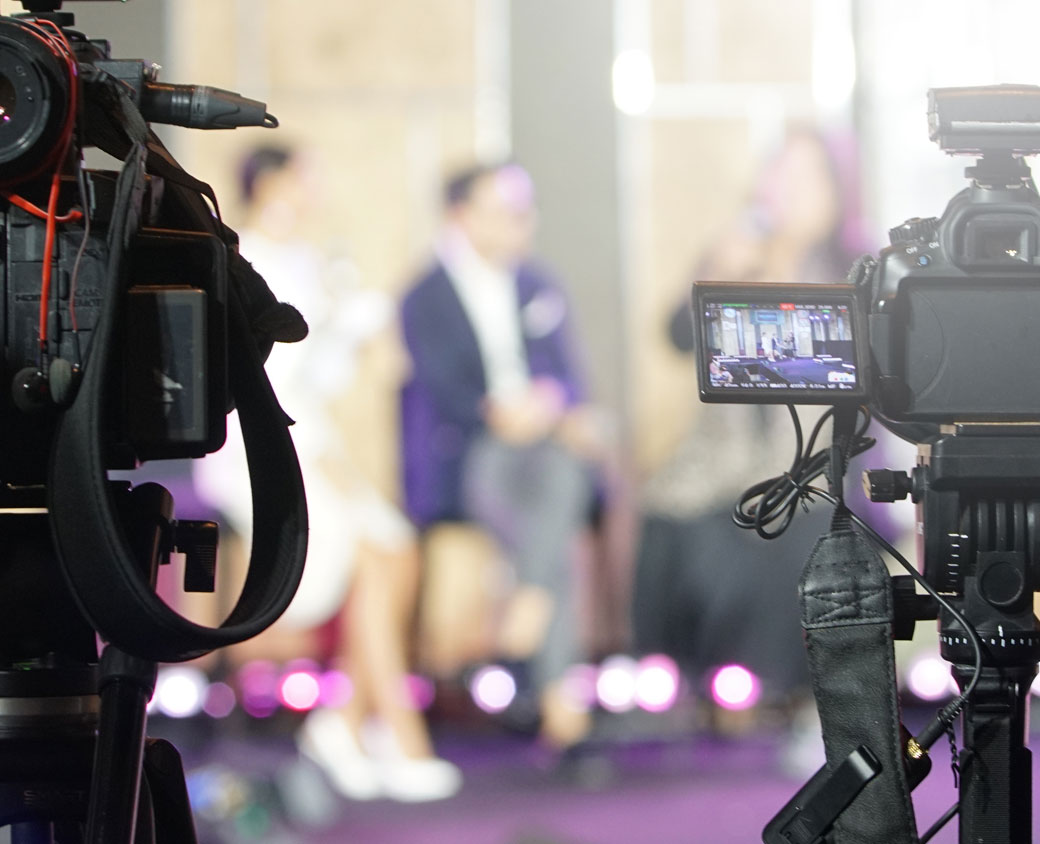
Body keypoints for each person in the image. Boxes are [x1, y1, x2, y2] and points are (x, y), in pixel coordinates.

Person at [198, 145, 460, 803]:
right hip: (258, 446)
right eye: (306, 177)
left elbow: (332, 371)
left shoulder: (314, 263)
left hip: (312, 441)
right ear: (275, 183)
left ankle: (346, 723)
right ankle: (396, 733)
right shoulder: (241, 261)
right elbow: (264, 381)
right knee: (376, 551)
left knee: (396, 552)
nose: (317, 189)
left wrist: (359, 326)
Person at [634, 129, 870, 712]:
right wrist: (717, 278)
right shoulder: (736, 257)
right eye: (778, 175)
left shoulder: (852, 271)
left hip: (812, 465)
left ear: (835, 193)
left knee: (800, 534)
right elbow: (676, 336)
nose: (786, 192)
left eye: (804, 178)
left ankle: (794, 698)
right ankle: (691, 693)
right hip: (721, 468)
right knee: (674, 521)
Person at [400, 161, 599, 750]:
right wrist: (500, 411)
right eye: (507, 210)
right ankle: (560, 700)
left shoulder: (538, 282)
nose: (523, 222)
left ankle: (532, 613)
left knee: (567, 468)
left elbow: (568, 374)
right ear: (462, 215)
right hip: (472, 449)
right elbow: (441, 391)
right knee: (550, 532)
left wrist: (551, 400)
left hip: (543, 441)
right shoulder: (424, 296)